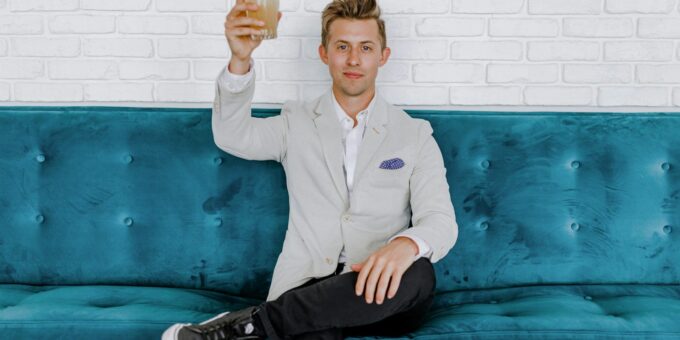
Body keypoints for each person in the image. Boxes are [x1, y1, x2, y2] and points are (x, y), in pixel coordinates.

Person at [162, 0, 458, 338]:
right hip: (309, 287)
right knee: (315, 327)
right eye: (342, 47)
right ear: (324, 53)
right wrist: (240, 60)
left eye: (366, 48)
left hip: (383, 292)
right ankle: (261, 324)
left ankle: (244, 328)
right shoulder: (295, 122)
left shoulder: (414, 134)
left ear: (383, 56)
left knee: (419, 272)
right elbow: (232, 135)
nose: (353, 59)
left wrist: (403, 246)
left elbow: (440, 221)